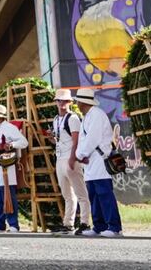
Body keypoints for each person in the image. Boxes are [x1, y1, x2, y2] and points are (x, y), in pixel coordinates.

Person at [74, 88, 123, 237]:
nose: (76, 103)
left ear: (83, 102)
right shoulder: (87, 116)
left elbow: (92, 139)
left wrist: (80, 154)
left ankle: (114, 227)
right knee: (94, 194)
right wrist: (80, 155)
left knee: (104, 194)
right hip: (90, 161)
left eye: (78, 101)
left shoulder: (96, 115)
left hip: (99, 161)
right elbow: (83, 140)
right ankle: (99, 226)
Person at [49, 88, 91, 234]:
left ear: (70, 102)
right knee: (67, 194)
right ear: (56, 102)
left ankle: (85, 222)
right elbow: (60, 141)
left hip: (70, 158)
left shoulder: (72, 118)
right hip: (60, 158)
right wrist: (51, 138)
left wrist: (73, 159)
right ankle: (68, 223)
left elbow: (76, 140)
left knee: (81, 193)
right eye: (60, 100)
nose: (62, 103)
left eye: (65, 101)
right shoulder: (56, 119)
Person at [0, 104, 28, 233]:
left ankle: (13, 224)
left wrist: (11, 144)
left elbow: (24, 142)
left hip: (7, 166)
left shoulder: (10, 128)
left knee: (9, 196)